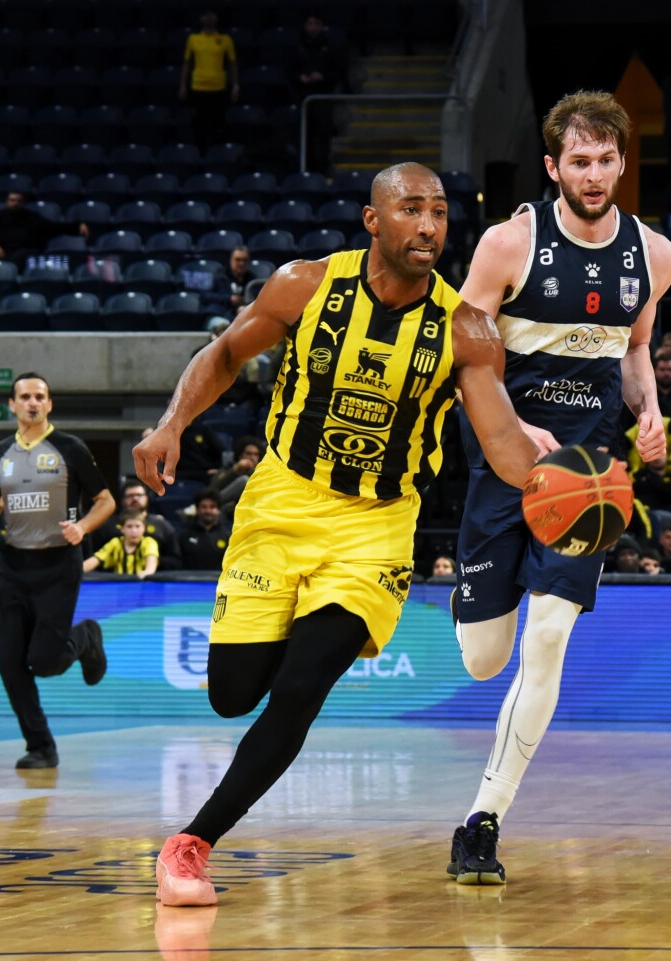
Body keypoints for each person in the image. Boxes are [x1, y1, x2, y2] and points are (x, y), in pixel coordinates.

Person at [132, 162, 539, 907]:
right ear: (372, 220)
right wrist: (172, 422)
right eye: (411, 209)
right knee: (232, 693)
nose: (429, 226)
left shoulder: (465, 329)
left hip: (379, 525)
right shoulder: (306, 284)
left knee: (298, 689)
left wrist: (559, 485)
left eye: (440, 212)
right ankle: (292, 622)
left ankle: (191, 844)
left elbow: (504, 445)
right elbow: (224, 354)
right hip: (281, 503)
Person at [445, 92, 671, 887]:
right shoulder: (509, 243)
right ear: (553, 167)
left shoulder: (655, 255)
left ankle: (482, 820)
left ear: (622, 162)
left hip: (587, 481)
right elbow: (466, 354)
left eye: (607, 159)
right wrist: (511, 428)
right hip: (504, 467)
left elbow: (636, 350)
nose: (595, 173)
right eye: (579, 160)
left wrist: (650, 410)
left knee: (547, 641)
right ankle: (472, 601)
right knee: (486, 659)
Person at [0, 374, 116, 769]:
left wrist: (83, 528)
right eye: (24, 397)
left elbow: (106, 500)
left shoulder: (69, 448)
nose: (32, 403)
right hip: (12, 565)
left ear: (49, 404)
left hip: (59, 564)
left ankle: (86, 637)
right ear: (12, 405)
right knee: (9, 662)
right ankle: (40, 747)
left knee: (43, 661)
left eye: (39, 396)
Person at [294, 14, 349, 175]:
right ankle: (304, 171)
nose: (313, 27)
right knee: (305, 136)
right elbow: (289, 70)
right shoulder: (298, 46)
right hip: (303, 96)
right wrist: (300, 77)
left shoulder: (330, 46)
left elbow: (338, 70)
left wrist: (323, 76)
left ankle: (323, 171)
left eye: (316, 23)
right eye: (309, 23)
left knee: (323, 136)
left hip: (323, 96)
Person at [179, 9, 240, 151]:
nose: (209, 17)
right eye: (206, 15)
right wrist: (182, 85)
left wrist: (236, 85)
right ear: (201, 19)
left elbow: (233, 63)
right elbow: (187, 63)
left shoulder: (225, 40)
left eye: (212, 15)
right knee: (199, 124)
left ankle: (217, 154)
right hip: (198, 87)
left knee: (217, 124)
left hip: (218, 88)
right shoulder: (193, 39)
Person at [84, 509, 159, 578]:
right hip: (119, 586)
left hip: (141, 585)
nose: (134, 531)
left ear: (144, 528)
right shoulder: (115, 543)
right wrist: (77, 572)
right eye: (129, 527)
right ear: (122, 529)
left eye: (138, 526)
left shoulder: (149, 542)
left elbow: (151, 566)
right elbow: (96, 559)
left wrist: (147, 572)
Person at [179, 490, 231, 571]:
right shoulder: (184, 536)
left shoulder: (228, 536)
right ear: (197, 509)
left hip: (218, 581)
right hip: (189, 581)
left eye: (212, 507)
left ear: (218, 511)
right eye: (204, 507)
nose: (208, 511)